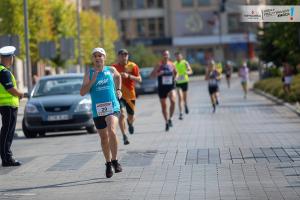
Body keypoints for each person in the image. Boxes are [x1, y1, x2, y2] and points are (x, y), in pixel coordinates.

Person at [80, 47, 122, 178]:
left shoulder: (111, 70)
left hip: (112, 107)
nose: (98, 58)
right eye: (95, 56)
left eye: (100, 55)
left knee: (112, 130)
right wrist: (93, 80)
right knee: (104, 138)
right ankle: (108, 163)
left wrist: (119, 89)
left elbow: (119, 76)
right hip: (98, 111)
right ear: (93, 59)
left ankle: (115, 160)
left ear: (104, 57)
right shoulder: (90, 73)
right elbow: (82, 92)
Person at [0, 46, 24, 167]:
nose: (13, 59)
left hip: (7, 105)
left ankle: (6, 157)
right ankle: (7, 158)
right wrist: (21, 93)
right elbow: (10, 89)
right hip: (8, 105)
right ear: (9, 58)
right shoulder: (4, 72)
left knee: (6, 131)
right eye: (12, 57)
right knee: (7, 132)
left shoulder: (3, 70)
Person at [113, 49, 142, 145]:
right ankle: (124, 136)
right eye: (121, 55)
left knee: (131, 116)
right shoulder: (114, 67)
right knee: (121, 114)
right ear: (118, 56)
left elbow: (139, 79)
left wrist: (129, 76)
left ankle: (130, 123)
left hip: (130, 95)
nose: (124, 56)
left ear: (128, 56)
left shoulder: (133, 66)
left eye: (125, 54)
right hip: (119, 94)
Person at [151, 50, 177, 131]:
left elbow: (176, 73)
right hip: (162, 88)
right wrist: (159, 73)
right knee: (164, 106)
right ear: (162, 56)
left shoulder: (172, 64)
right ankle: (166, 122)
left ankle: (170, 118)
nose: (166, 56)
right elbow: (152, 75)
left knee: (173, 101)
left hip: (171, 86)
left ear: (169, 56)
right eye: (164, 55)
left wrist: (175, 78)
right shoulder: (158, 65)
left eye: (167, 54)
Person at [174, 52, 193, 120]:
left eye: (179, 56)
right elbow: (173, 73)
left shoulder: (185, 62)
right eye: (177, 56)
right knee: (180, 97)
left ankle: (185, 105)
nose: (178, 57)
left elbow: (191, 71)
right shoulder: (174, 64)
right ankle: (181, 113)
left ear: (181, 56)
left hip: (185, 82)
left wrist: (187, 72)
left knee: (184, 98)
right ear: (175, 57)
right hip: (178, 83)